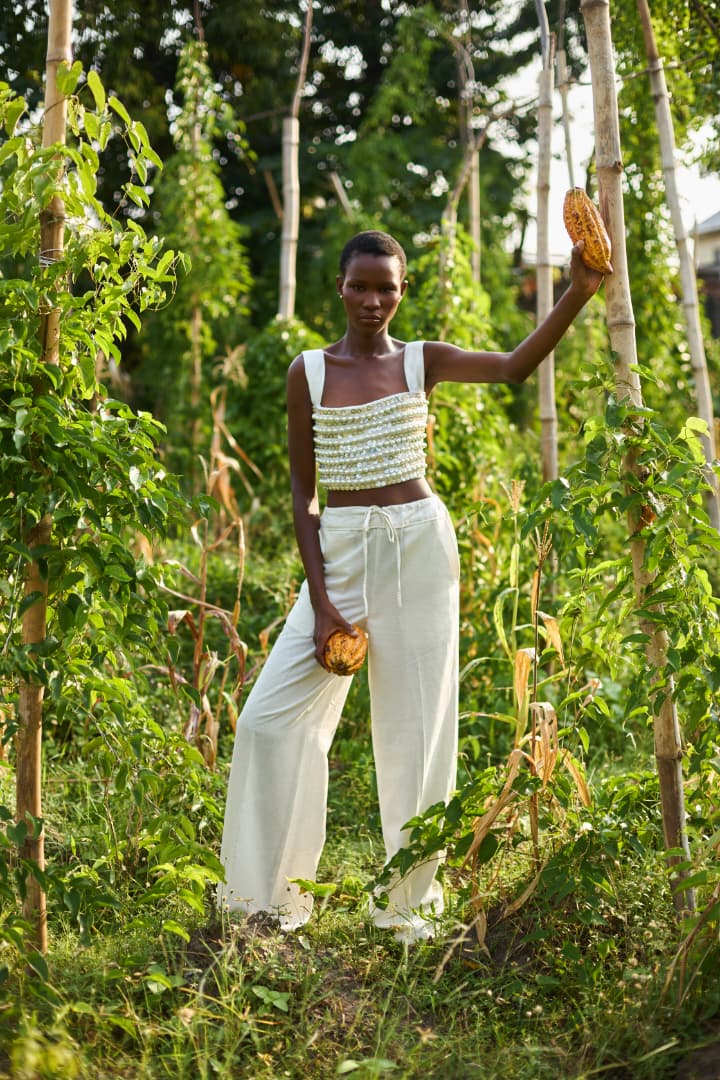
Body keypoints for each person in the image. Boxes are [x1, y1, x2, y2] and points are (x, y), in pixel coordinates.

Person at [217, 229, 603, 943]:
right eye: (360, 285)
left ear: (403, 291)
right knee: (267, 720)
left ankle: (407, 908)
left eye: (386, 287)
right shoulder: (310, 371)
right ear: (339, 287)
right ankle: (264, 902)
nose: (372, 300)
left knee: (419, 729)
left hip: (421, 546)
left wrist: (576, 291)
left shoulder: (424, 361)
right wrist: (323, 599)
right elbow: (305, 495)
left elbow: (517, 367)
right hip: (341, 556)